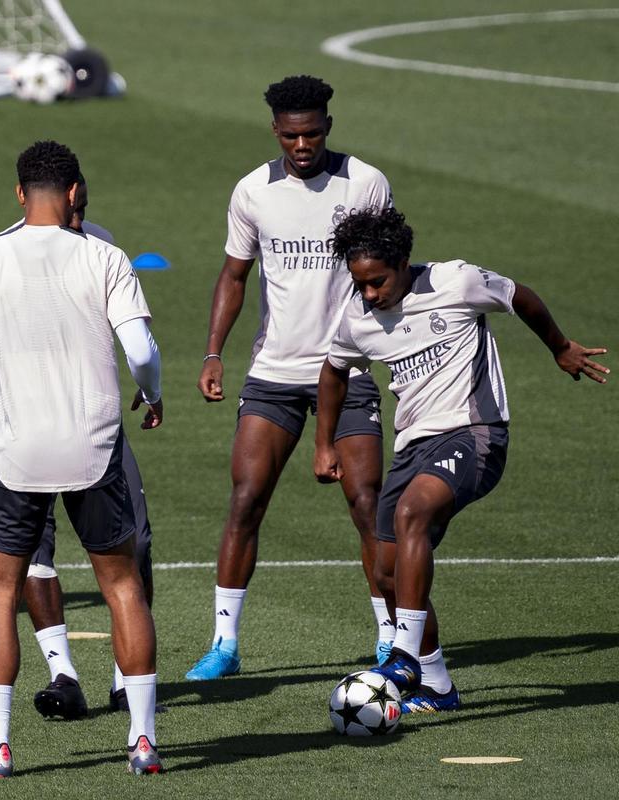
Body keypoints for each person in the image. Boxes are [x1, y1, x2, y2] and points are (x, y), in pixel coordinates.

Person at [0, 141, 164, 777]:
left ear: (20, 194)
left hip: (16, 452)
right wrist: (152, 395)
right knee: (123, 587)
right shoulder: (105, 256)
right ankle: (143, 742)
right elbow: (141, 348)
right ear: (75, 193)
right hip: (95, 448)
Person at [315, 207, 608, 712]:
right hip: (413, 446)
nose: (370, 294)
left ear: (403, 261)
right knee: (387, 573)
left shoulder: (457, 281)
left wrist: (559, 346)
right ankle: (437, 685)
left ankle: (403, 656)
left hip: (475, 435)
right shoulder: (359, 319)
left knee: (412, 515)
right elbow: (334, 370)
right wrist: (323, 443)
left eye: (378, 281)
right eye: (360, 284)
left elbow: (519, 296)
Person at [187, 74, 395, 681]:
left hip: (348, 367)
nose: (301, 144)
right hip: (275, 370)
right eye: (290, 135)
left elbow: (389, 272)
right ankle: (224, 644)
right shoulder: (253, 191)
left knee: (366, 504)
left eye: (311, 133)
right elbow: (233, 275)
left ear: (327, 125)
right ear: (275, 130)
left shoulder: (366, 183)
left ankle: (391, 639)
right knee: (246, 500)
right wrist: (212, 353)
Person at [0, 174, 155, 720]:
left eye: (85, 209)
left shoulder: (100, 247)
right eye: (75, 209)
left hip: (66, 435)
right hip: (50, 433)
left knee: (130, 550)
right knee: (48, 562)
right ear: (57, 194)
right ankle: (67, 676)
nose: (79, 221)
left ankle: (113, 687)